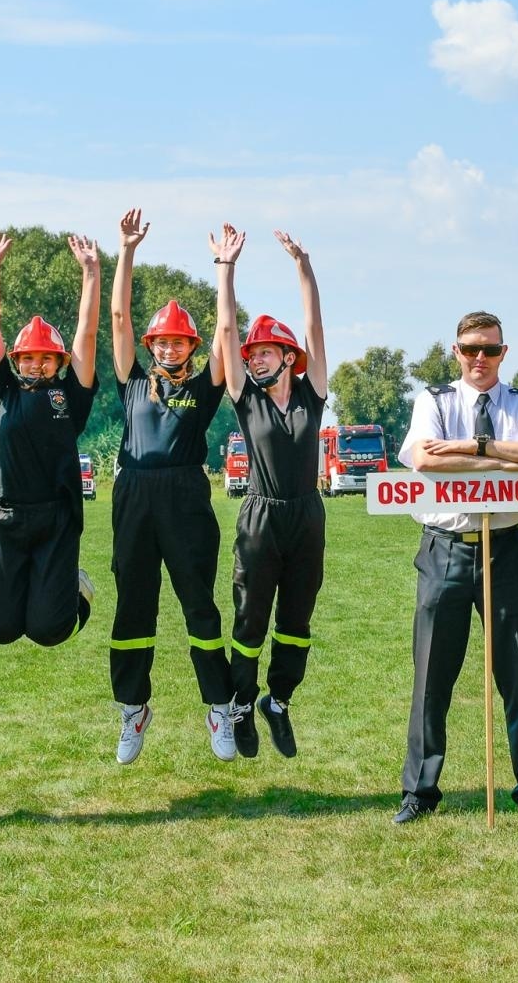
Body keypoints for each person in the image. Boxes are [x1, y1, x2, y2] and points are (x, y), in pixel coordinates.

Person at [392, 311, 518, 824]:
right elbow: (425, 459)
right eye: (470, 349)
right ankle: (419, 793)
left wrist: (474, 446)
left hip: (505, 550)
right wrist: (510, 461)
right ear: (456, 352)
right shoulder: (434, 401)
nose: (480, 358)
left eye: (489, 349)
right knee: (432, 677)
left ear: (503, 352)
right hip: (443, 548)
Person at [107, 209, 233, 765]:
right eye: (162, 342)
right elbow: (117, 318)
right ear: (152, 345)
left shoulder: (204, 387)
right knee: (134, 607)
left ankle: (219, 708)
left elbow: (227, 333)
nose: (168, 349)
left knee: (199, 606)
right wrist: (126, 250)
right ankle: (133, 709)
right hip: (134, 495)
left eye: (179, 343)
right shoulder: (134, 382)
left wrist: (223, 269)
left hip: (185, 498)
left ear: (191, 347)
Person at [211, 224, 329, 760]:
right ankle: (241, 703)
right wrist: (226, 268)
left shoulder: (312, 393)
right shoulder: (246, 397)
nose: (254, 359)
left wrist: (303, 266)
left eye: (264, 352)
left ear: (287, 355)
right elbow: (226, 329)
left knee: (297, 620)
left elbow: (314, 326)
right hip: (260, 518)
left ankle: (277, 701)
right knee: (250, 619)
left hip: (307, 517)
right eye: (251, 353)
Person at [0, 231, 100, 651]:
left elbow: (87, 334)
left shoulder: (69, 396)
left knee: (49, 630)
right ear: (17, 360)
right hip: (6, 516)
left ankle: (74, 587)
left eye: (46, 357)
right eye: (28, 356)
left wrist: (91, 273)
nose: (37, 363)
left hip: (56, 517)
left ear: (59, 362)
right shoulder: (2, 393)